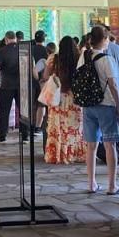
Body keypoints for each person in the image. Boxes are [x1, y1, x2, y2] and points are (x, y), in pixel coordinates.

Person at [79, 25, 119, 194]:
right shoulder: (106, 59)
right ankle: (112, 185)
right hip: (106, 105)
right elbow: (113, 85)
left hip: (88, 105)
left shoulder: (83, 57)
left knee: (91, 146)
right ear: (104, 40)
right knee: (110, 145)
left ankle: (91, 183)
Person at [43, 36, 86, 164]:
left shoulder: (53, 58)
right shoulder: (80, 58)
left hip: (58, 97)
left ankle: (58, 154)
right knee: (75, 127)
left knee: (58, 127)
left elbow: (45, 76)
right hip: (74, 98)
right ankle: (76, 153)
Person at [0, 31, 20, 143]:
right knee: (23, 110)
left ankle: (3, 135)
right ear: (15, 38)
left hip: (6, 85)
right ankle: (25, 135)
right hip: (21, 85)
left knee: (4, 111)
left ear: (6, 39)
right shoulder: (23, 49)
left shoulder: (2, 51)